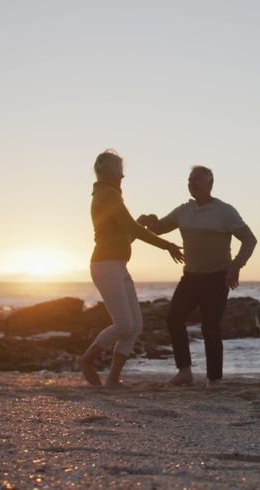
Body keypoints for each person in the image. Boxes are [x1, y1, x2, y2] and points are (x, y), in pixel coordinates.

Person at [138, 165, 257, 386]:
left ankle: (214, 380)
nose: (192, 183)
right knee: (174, 320)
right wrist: (150, 219)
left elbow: (249, 239)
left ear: (210, 184)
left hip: (217, 278)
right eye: (190, 179)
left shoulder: (225, 211)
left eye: (197, 180)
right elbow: (159, 228)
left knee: (210, 327)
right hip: (191, 277)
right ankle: (185, 372)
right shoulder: (184, 211)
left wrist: (236, 266)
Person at [80, 150, 184, 387]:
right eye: (120, 171)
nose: (123, 176)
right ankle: (86, 360)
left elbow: (126, 237)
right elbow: (133, 231)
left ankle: (113, 379)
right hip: (105, 266)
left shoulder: (110, 195)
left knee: (135, 326)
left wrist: (140, 223)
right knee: (124, 324)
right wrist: (166, 244)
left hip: (117, 265)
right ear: (110, 172)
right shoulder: (108, 196)